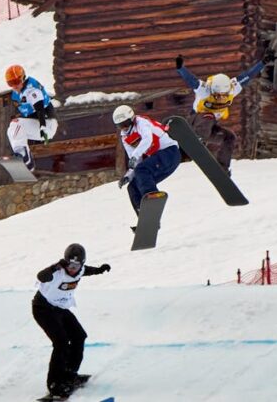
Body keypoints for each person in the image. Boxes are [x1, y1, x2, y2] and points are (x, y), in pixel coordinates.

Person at [33, 243, 111, 399]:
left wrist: (100, 270)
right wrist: (55, 266)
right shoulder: (57, 272)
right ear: (65, 261)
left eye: (77, 265)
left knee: (79, 336)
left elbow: (86, 271)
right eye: (70, 264)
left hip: (60, 309)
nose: (73, 268)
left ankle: (69, 374)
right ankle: (55, 385)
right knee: (61, 342)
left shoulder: (80, 270)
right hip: (43, 309)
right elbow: (41, 276)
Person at [174, 51, 271, 174]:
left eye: (223, 95)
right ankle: (196, 142)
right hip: (194, 122)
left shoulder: (232, 88)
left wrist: (263, 63)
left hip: (209, 127)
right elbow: (191, 80)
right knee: (208, 116)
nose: (220, 98)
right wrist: (180, 68)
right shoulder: (205, 89)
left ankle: (222, 168)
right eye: (217, 95)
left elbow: (248, 76)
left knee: (229, 137)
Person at [114, 105, 180, 215]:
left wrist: (135, 156)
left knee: (142, 169)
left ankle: (153, 198)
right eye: (120, 126)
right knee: (133, 186)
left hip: (170, 153)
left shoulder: (141, 122)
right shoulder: (125, 137)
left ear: (132, 119)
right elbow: (135, 161)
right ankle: (144, 217)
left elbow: (147, 139)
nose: (124, 128)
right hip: (159, 161)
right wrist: (128, 176)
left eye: (125, 124)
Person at [5, 64, 58, 171]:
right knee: (11, 129)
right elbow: (27, 112)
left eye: (16, 82)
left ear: (23, 78)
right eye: (11, 83)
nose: (14, 86)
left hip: (47, 124)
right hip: (38, 124)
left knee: (17, 124)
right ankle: (27, 161)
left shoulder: (31, 89)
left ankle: (24, 157)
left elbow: (40, 109)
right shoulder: (17, 94)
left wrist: (43, 126)